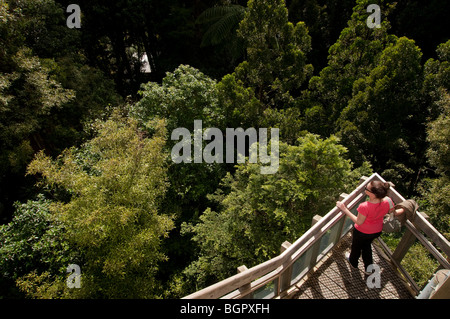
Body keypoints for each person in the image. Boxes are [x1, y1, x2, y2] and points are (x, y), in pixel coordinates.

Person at [336, 180, 394, 275]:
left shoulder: (365, 206)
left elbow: (359, 221)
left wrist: (344, 209)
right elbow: (391, 211)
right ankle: (369, 268)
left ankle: (353, 262)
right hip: (376, 230)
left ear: (373, 194)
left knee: (356, 247)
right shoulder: (388, 200)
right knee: (366, 247)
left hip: (362, 232)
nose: (365, 189)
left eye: (366, 188)